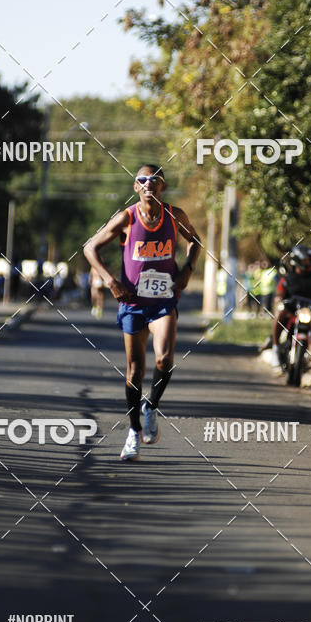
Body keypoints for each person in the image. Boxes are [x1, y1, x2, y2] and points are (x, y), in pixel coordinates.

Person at [84, 164, 201, 461]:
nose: (148, 183)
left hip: (163, 300)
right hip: (133, 302)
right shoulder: (127, 217)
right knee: (135, 371)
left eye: (154, 179)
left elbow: (195, 241)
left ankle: (152, 407)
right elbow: (90, 248)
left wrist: (187, 269)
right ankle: (133, 431)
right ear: (136, 186)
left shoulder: (174, 215)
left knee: (164, 358)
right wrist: (110, 281)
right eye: (142, 180)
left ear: (163, 186)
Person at [270, 244, 311, 376]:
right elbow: (279, 294)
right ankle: (275, 350)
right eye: (305, 260)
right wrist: (279, 300)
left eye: (309, 260)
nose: (308, 263)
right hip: (292, 312)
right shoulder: (287, 278)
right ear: (297, 260)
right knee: (279, 316)